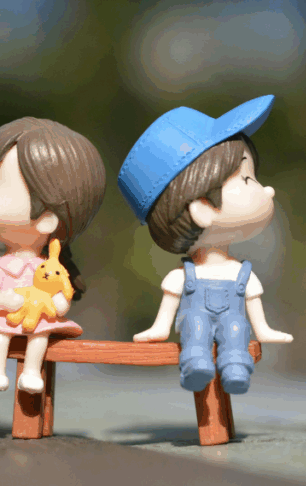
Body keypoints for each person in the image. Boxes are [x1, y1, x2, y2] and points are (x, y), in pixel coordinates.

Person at [118, 95, 293, 394]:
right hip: (194, 318)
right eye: (247, 178)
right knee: (195, 325)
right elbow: (170, 307)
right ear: (203, 208)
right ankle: (194, 364)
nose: (268, 189)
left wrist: (263, 331)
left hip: (232, 319)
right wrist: (159, 330)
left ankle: (236, 368)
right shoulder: (183, 276)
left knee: (237, 328)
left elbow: (253, 307)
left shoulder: (241, 272)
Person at [0, 117, 105, 393]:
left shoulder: (50, 270)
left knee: (40, 333)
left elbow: (61, 305)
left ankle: (31, 372)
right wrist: (10, 299)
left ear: (47, 219)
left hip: (36, 319)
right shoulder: (5, 267)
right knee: (0, 331)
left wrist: (46, 303)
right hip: (8, 318)